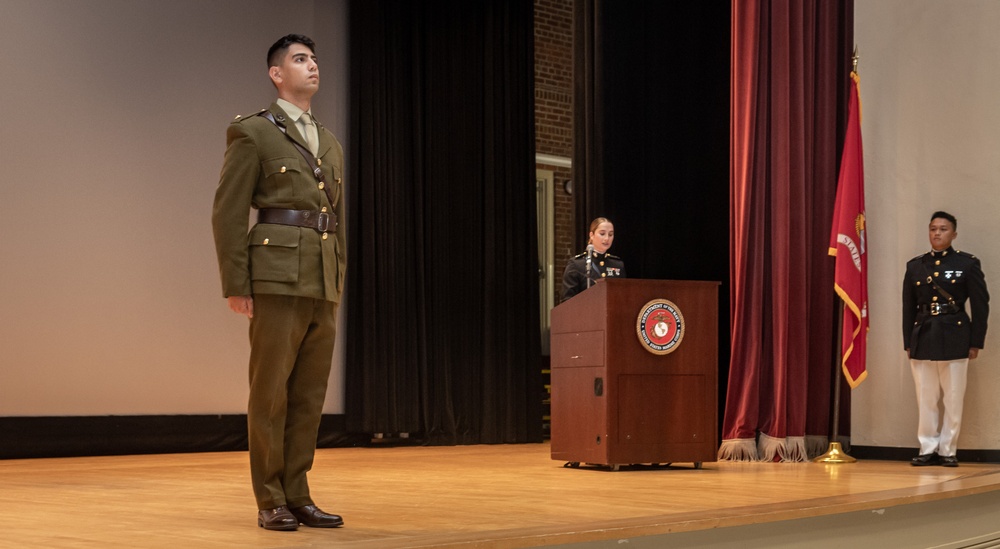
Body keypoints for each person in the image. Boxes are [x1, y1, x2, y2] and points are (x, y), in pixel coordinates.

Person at [212, 34, 346, 530]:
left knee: (309, 396)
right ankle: (269, 497)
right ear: (276, 73)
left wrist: (337, 276)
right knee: (270, 392)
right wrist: (235, 282)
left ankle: (298, 492)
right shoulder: (252, 133)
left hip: (320, 278)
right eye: (300, 59)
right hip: (275, 275)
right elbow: (228, 212)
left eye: (314, 58)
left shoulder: (329, 141)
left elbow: (337, 217)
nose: (313, 66)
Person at [902, 211, 989, 467]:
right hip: (923, 335)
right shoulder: (915, 265)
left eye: (943, 229)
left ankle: (948, 449)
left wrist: (976, 341)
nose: (937, 233)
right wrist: (908, 341)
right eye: (932, 229)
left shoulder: (967, 264)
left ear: (954, 234)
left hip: (955, 335)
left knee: (952, 397)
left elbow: (981, 305)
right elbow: (908, 307)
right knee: (926, 397)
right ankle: (927, 447)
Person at [562, 217, 626, 301]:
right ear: (591, 235)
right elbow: (567, 299)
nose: (607, 238)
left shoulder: (617, 264)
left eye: (610, 234)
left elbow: (623, 296)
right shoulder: (577, 264)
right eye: (602, 234)